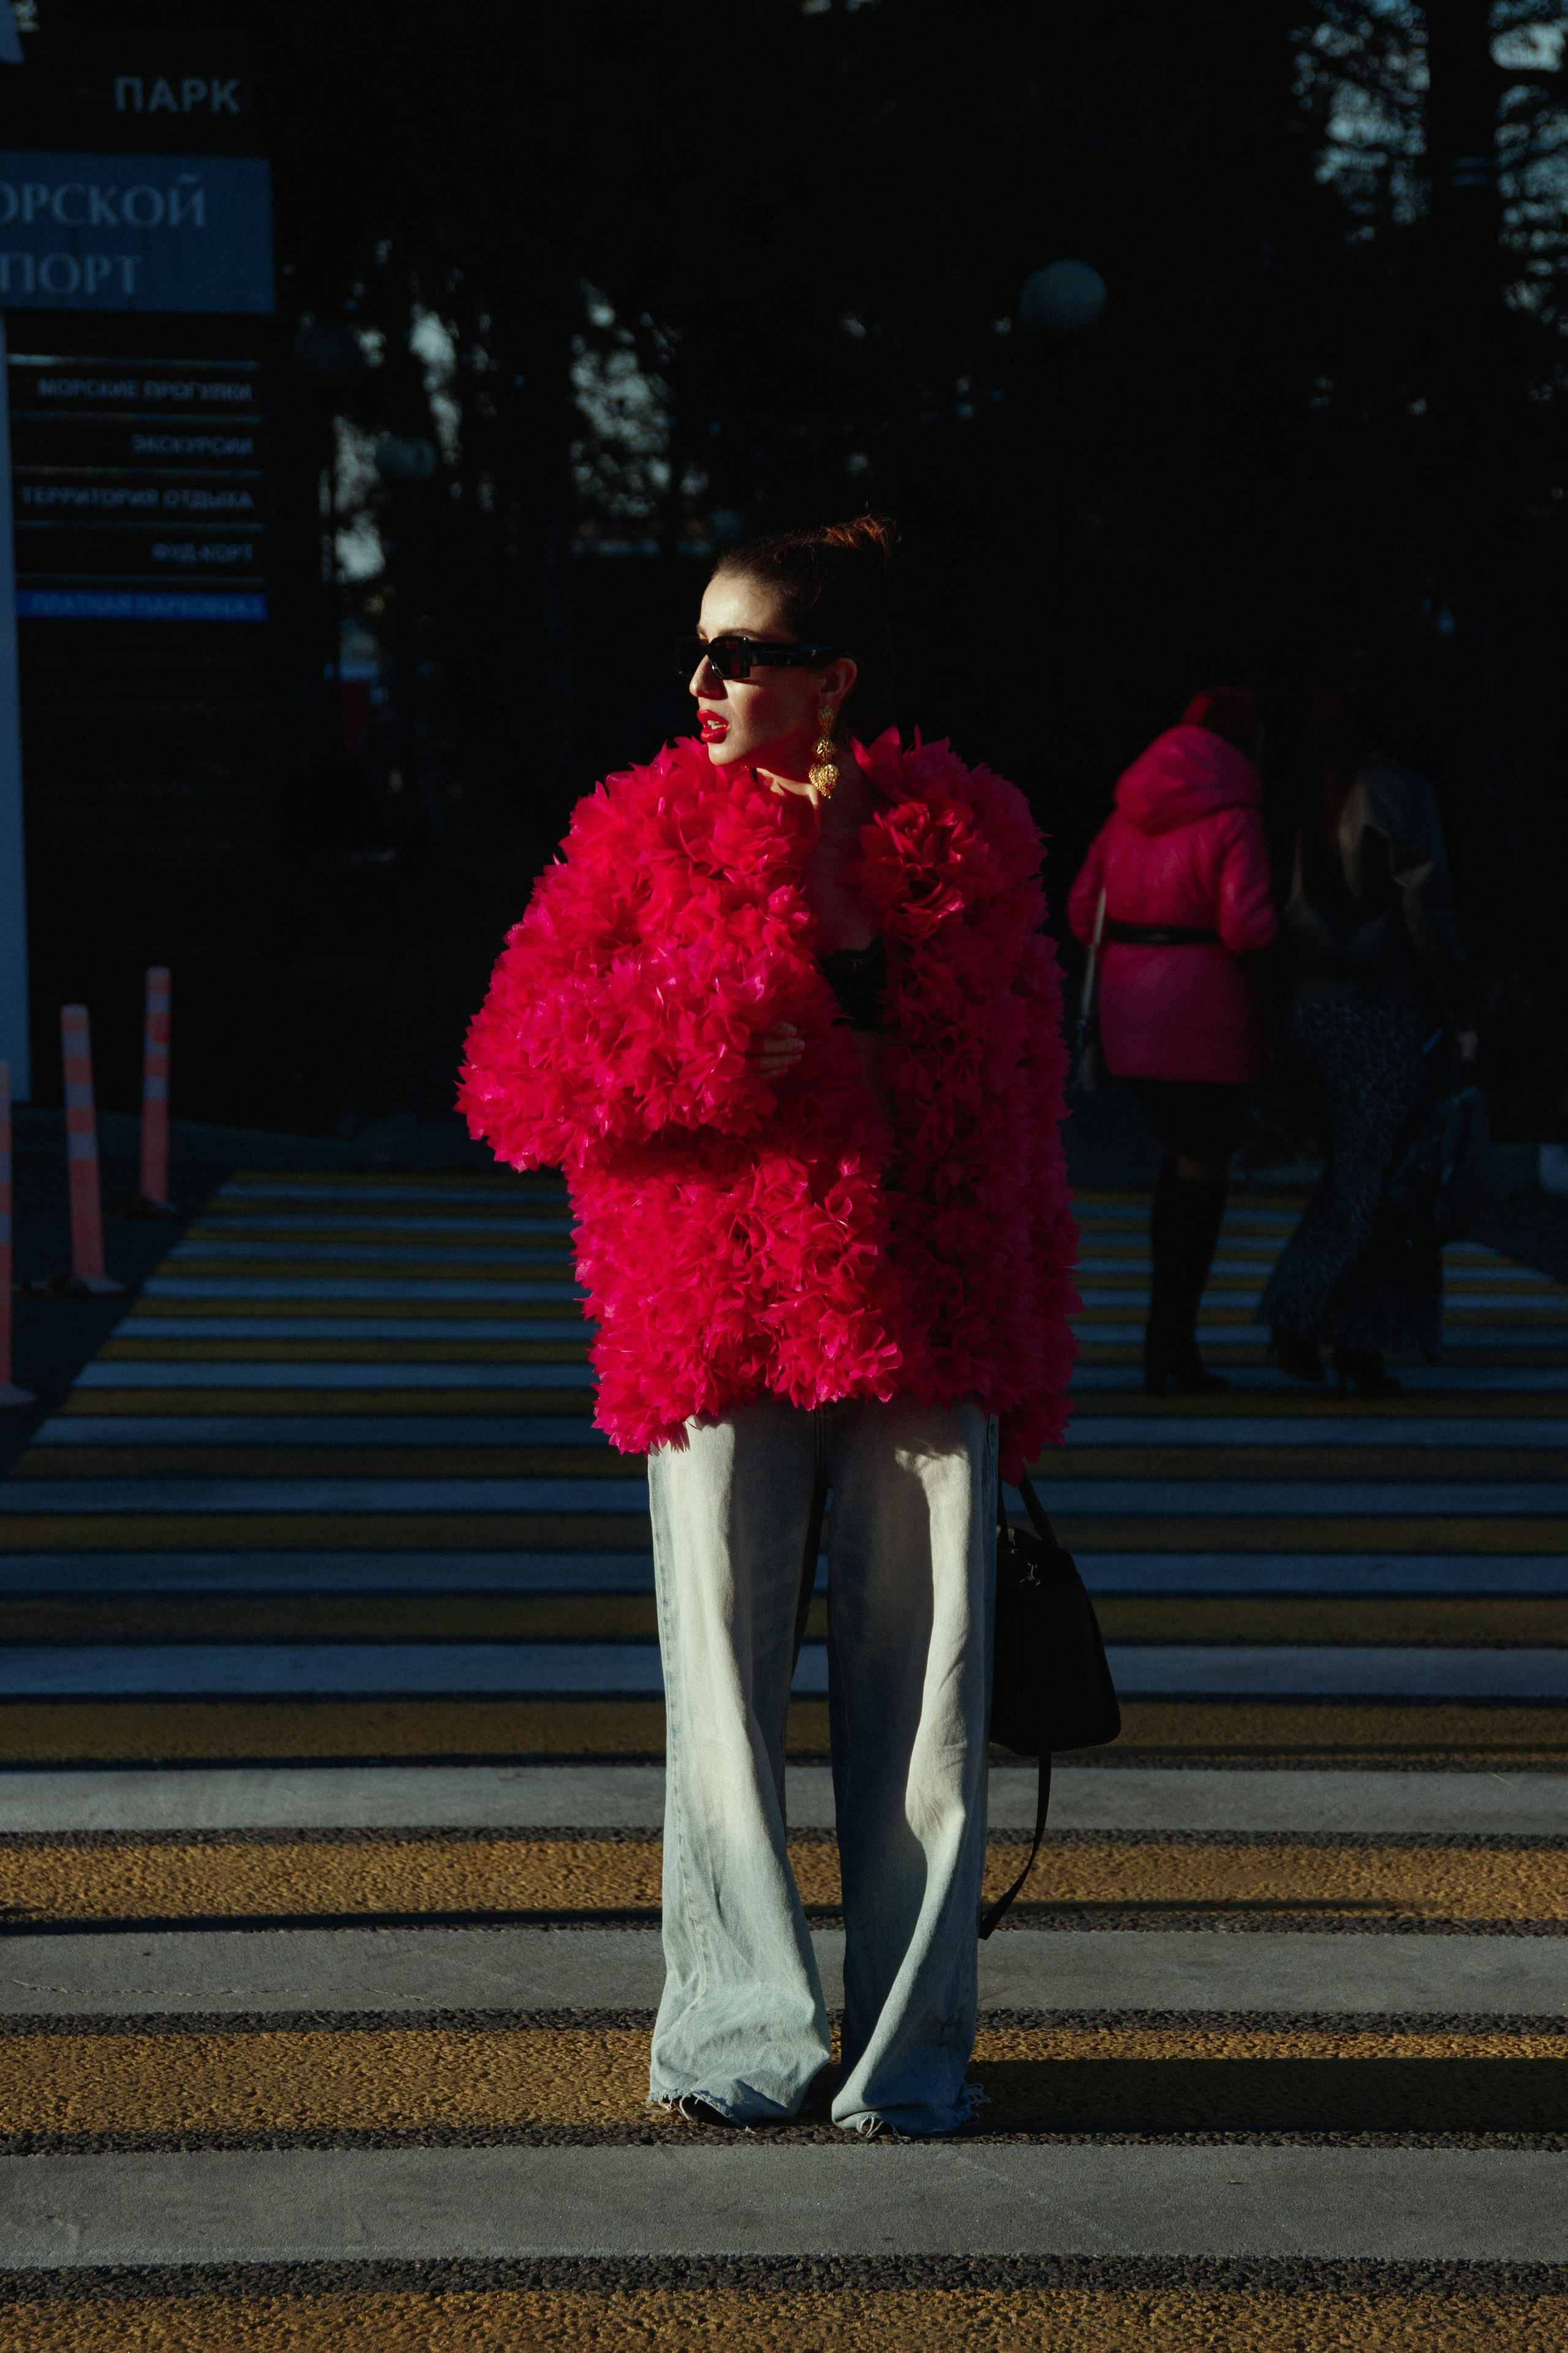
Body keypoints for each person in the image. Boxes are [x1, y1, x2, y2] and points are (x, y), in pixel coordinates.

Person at [459, 516, 1077, 2140]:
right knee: (721, 1702)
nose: (704, 682)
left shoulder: (972, 840)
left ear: (836, 679)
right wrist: (723, 1041)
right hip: (717, 1311)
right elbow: (516, 1073)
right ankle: (738, 2036)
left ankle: (909, 2060)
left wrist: (1033, 1344)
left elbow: (1022, 1107)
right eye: (700, 652)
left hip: (930, 1314)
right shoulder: (640, 835)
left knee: (933, 1710)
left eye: (741, 654)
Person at [1259, 654, 1474, 1396]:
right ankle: (1310, 1315)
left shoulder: (1298, 789)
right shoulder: (1392, 790)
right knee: (1378, 1175)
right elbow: (1426, 907)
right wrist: (1457, 1009)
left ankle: (1349, 1337)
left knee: (1367, 1169)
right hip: (1379, 1004)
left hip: (1310, 1005)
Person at [1068, 687, 1276, 1394]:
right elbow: (1246, 927)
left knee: (1178, 1161)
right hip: (1202, 1016)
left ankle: (1165, 1341)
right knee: (1203, 1168)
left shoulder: (1129, 810)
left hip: (1130, 1007)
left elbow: (1078, 909)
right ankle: (1172, 1344)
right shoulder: (1236, 815)